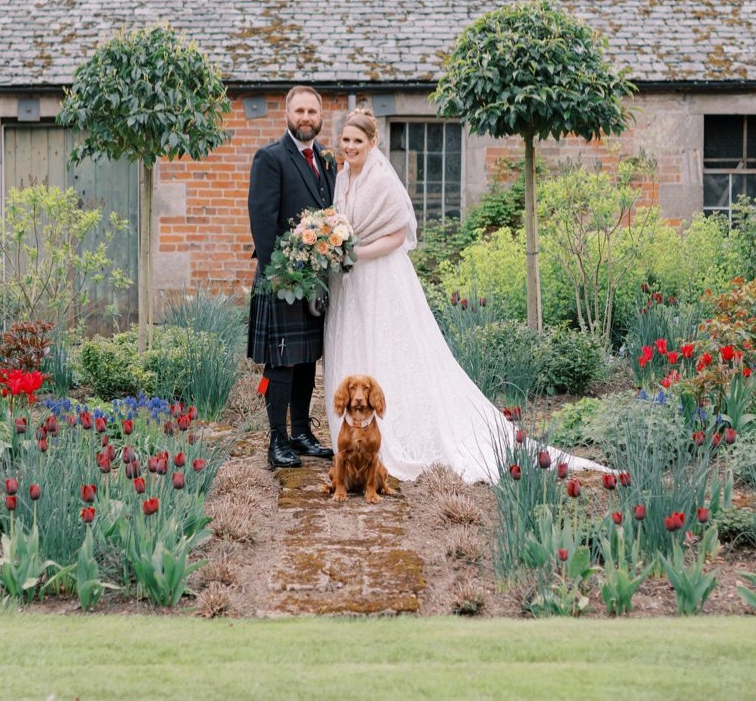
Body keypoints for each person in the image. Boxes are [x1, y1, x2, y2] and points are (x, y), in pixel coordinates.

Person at [323, 108, 604, 484]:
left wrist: (358, 254)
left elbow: (398, 235)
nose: (351, 147)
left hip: (380, 278)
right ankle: (350, 437)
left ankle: (387, 437)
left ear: (373, 143)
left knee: (388, 348)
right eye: (346, 140)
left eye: (359, 141)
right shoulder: (342, 178)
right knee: (356, 343)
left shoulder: (382, 180)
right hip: (350, 282)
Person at [247, 85, 337, 469]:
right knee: (282, 362)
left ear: (321, 116)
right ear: (287, 114)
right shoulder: (270, 158)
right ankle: (277, 441)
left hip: (314, 279)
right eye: (298, 110)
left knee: (306, 360)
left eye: (311, 111)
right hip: (281, 279)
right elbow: (262, 221)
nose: (305, 117)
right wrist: (277, 275)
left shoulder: (327, 161)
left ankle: (301, 433)